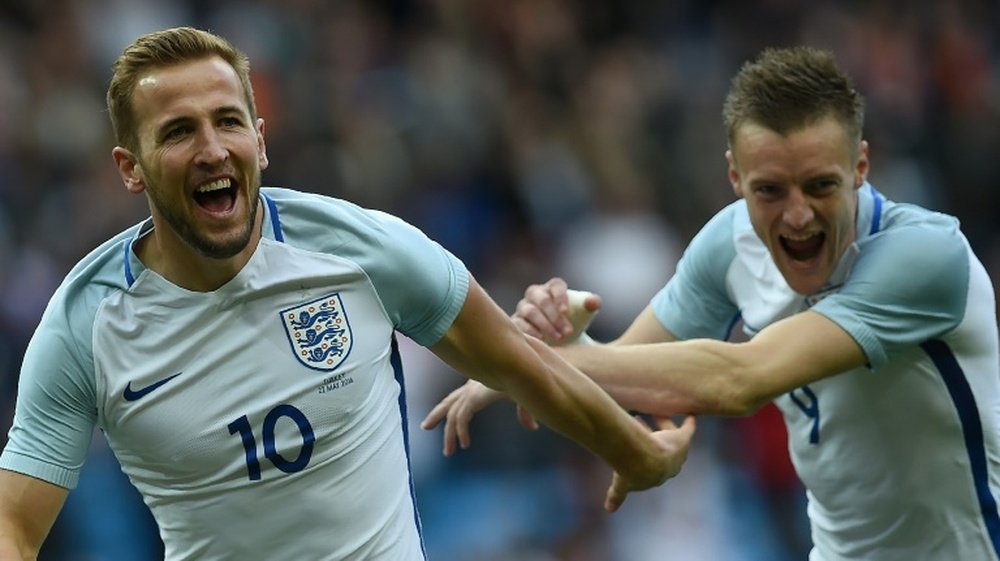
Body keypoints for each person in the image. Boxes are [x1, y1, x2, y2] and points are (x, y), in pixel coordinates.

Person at [0, 26, 697, 561]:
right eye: (179, 131)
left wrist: (635, 452)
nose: (212, 148)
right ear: (131, 168)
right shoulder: (85, 323)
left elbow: (520, 364)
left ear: (261, 142)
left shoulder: (364, 250)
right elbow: (15, 520)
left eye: (228, 121)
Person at [423, 46, 1000, 560]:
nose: (797, 215)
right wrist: (561, 343)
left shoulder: (925, 257)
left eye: (821, 185)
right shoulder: (731, 245)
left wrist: (517, 360)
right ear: (734, 176)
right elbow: (619, 379)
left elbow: (738, 380)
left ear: (861, 168)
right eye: (769, 190)